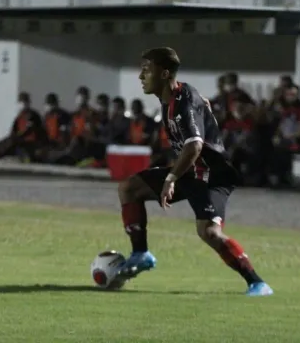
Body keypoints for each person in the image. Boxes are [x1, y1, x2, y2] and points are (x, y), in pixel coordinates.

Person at [115, 47, 273, 296]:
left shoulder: (184, 99)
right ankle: (141, 253)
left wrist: (171, 178)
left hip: (213, 175)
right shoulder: (168, 98)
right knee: (129, 188)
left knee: (209, 233)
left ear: (165, 73)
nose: (140, 75)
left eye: (147, 69)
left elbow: (195, 144)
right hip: (191, 171)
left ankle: (257, 282)